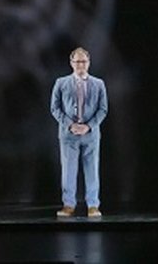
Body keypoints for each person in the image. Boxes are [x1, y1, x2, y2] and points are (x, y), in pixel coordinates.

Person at [50, 47, 108, 218]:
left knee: (92, 169)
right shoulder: (61, 83)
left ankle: (93, 205)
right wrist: (70, 125)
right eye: (77, 61)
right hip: (69, 135)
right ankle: (68, 205)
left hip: (91, 134)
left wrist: (89, 126)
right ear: (71, 63)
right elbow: (55, 108)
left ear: (89, 63)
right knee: (68, 170)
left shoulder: (99, 84)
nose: (80, 65)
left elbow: (103, 109)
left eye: (83, 61)